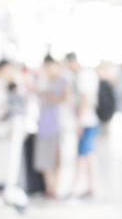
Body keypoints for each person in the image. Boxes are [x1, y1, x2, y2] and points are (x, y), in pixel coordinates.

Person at [66, 53, 101, 199]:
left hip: (87, 121)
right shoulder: (90, 74)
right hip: (92, 120)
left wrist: (78, 122)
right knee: (88, 155)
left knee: (81, 155)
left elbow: (85, 99)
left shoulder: (83, 76)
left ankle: (73, 189)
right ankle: (91, 186)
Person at [34, 55, 68, 199]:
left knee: (57, 156)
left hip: (58, 122)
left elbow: (65, 99)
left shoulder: (63, 81)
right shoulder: (41, 81)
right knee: (44, 155)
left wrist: (48, 97)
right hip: (43, 122)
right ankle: (49, 186)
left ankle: (56, 185)